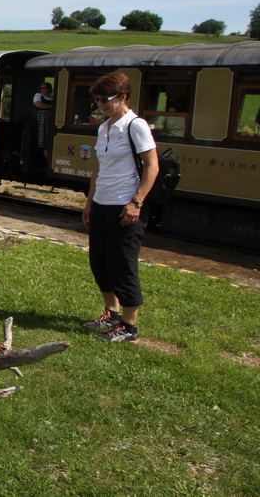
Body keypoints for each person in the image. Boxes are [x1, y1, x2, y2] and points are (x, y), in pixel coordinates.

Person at [81, 72, 158, 344]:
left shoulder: (135, 125)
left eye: (105, 99)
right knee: (99, 261)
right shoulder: (104, 127)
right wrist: (90, 200)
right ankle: (111, 313)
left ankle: (129, 327)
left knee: (122, 264)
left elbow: (152, 166)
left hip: (125, 206)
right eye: (97, 100)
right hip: (102, 203)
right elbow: (99, 168)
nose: (100, 104)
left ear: (123, 97)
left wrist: (136, 201)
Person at [33, 82, 55, 163]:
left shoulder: (52, 97)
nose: (42, 90)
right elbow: (39, 105)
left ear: (49, 89)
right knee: (44, 142)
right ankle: (48, 162)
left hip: (51, 119)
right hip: (43, 119)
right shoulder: (38, 95)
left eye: (44, 88)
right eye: (41, 88)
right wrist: (52, 106)